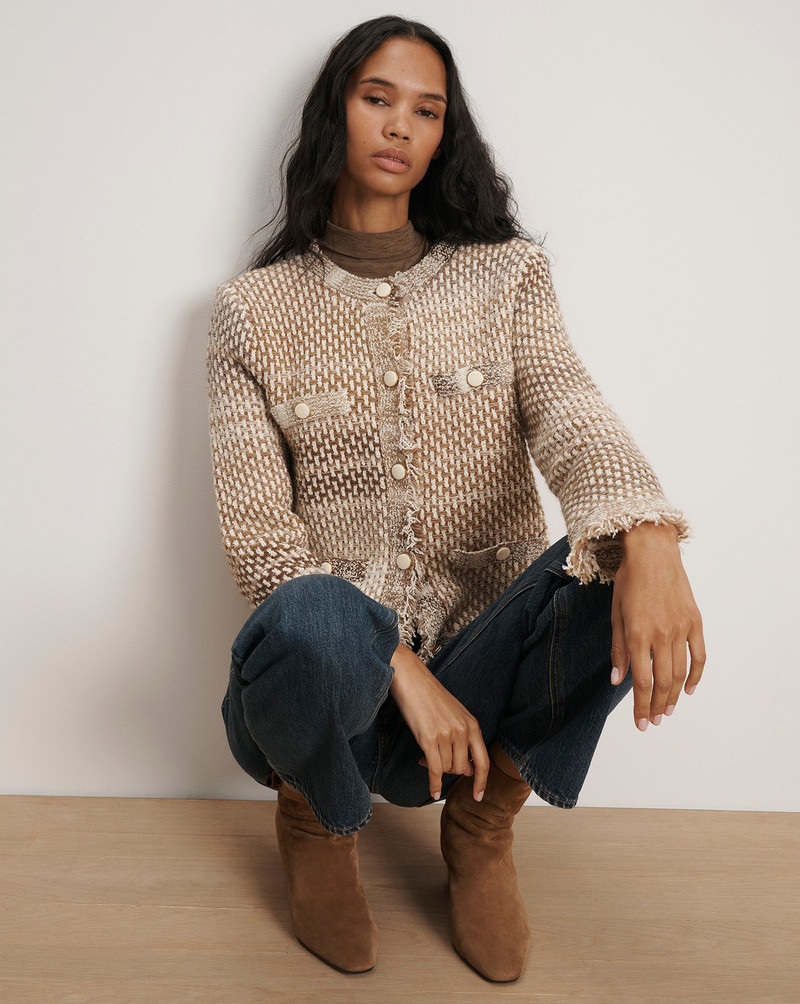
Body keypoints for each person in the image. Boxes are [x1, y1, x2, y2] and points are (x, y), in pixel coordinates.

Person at [206, 14, 706, 983]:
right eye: (377, 98)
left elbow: (572, 413)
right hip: (334, 702)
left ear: (444, 136)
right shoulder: (249, 312)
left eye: (426, 110)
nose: (400, 125)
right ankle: (315, 822)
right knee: (308, 611)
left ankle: (481, 827)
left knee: (612, 554)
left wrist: (648, 535)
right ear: (336, 112)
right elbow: (261, 543)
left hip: (479, 701)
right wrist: (396, 662)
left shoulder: (507, 276)